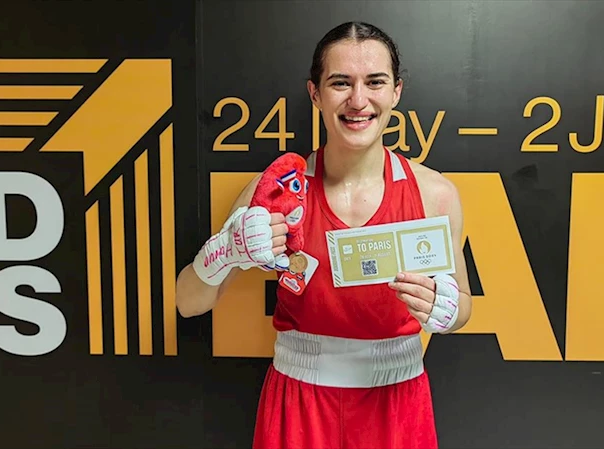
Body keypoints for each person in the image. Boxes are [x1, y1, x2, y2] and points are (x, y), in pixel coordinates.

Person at [175, 21, 472, 449]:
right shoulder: (277, 192)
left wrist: (447, 311)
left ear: (396, 92)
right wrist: (224, 252)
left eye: (375, 82)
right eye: (340, 83)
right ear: (315, 93)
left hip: (396, 405)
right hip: (299, 404)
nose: (358, 100)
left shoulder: (435, 194)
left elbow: (461, 304)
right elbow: (188, 301)